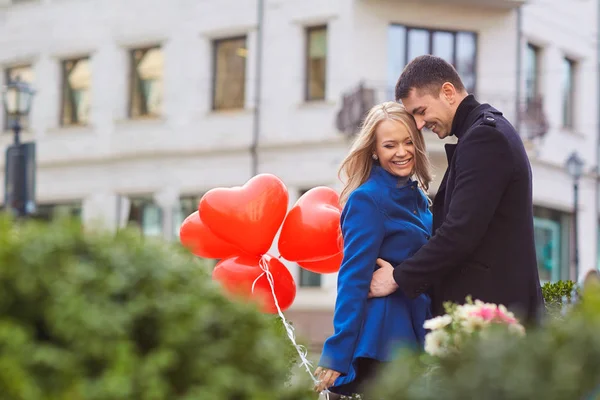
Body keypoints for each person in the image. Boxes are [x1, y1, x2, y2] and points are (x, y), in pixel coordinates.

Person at [369, 55, 544, 325]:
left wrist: (397, 277)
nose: (419, 124)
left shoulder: (484, 138)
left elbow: (459, 232)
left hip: (492, 321)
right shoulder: (483, 132)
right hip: (492, 315)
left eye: (421, 111)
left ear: (448, 92)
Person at [314, 102, 434, 397]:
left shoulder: (418, 197)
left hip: (419, 329)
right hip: (385, 342)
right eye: (390, 145)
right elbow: (353, 279)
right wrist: (337, 352)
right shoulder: (367, 200)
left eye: (408, 142)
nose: (402, 152)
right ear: (374, 151)